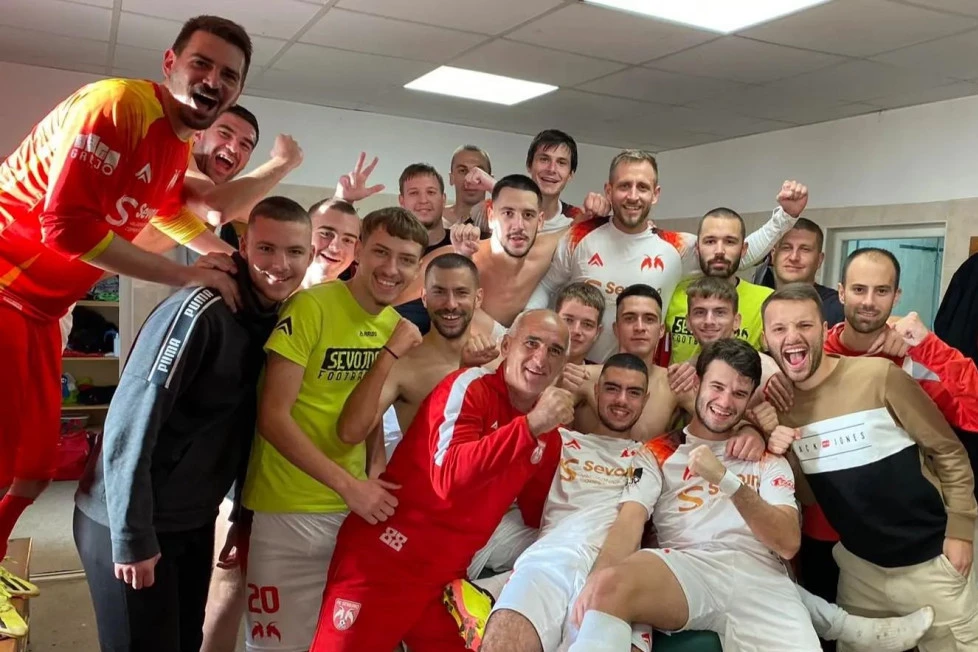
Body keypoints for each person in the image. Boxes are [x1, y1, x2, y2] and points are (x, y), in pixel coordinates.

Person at [0, 13, 251, 569]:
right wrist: (187, 274)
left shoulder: (175, 144)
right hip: (5, 290)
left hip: (42, 311)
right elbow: (65, 229)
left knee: (35, 467)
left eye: (229, 75)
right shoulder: (117, 106)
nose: (212, 81)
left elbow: (164, 213)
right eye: (201, 64)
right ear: (170, 63)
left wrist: (234, 261)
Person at [73, 197, 312, 652]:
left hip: (192, 516)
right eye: (266, 249)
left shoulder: (276, 320)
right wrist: (131, 536)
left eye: (294, 252)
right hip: (124, 515)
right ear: (244, 247)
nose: (280, 265)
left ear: (310, 256)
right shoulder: (201, 310)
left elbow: (246, 428)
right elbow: (130, 420)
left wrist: (240, 515)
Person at [311, 310, 575, 651]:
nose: (541, 358)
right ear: (506, 346)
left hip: (444, 579)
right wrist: (529, 427)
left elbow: (538, 513)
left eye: (555, 350)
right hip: (387, 558)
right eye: (532, 343)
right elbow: (448, 478)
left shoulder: (549, 432)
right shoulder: (468, 386)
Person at [764, 248, 978, 640]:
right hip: (849, 554)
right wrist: (779, 425)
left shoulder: (897, 364)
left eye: (881, 291)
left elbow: (954, 439)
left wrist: (925, 345)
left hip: (925, 546)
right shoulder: (794, 375)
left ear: (897, 297)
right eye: (859, 289)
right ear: (841, 293)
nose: (868, 301)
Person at [240, 207, 428, 651]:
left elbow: (367, 407)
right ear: (357, 250)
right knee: (277, 647)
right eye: (381, 252)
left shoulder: (393, 327)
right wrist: (350, 485)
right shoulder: (311, 306)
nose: (391, 268)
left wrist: (375, 465)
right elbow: (273, 418)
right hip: (286, 510)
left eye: (405, 259)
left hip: (351, 512)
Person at [569, 339, 822, 652]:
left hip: (761, 577)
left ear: (749, 399)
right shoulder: (658, 451)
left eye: (739, 393)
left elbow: (787, 542)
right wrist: (596, 579)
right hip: (687, 568)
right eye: (717, 387)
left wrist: (726, 480)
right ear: (698, 383)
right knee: (608, 586)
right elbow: (630, 521)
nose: (725, 401)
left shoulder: (766, 457)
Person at [526, 150, 809, 361]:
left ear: (655, 194)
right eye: (624, 186)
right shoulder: (579, 236)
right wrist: (523, 331)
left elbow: (733, 256)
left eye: (642, 187)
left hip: (643, 379)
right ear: (609, 191)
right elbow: (547, 286)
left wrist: (785, 217)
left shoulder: (676, 246)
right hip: (576, 368)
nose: (633, 196)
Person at [665, 207, 773, 365]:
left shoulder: (767, 301)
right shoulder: (672, 293)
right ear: (697, 249)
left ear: (743, 250)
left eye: (730, 242)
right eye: (710, 241)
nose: (719, 251)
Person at [754, 217, 844, 326]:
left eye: (805, 249)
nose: (794, 257)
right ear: (773, 255)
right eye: (786, 248)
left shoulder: (839, 308)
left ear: (819, 260)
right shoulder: (755, 302)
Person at [301, 198, 361, 289]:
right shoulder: (277, 289)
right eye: (326, 234)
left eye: (347, 240)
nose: (335, 248)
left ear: (357, 250)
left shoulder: (354, 297)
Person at [444, 144, 492, 233]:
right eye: (462, 171)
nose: (470, 179)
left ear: (490, 179)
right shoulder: (435, 218)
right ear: (451, 178)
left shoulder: (501, 219)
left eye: (479, 172)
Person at [555, 282, 605, 366]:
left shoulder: (605, 373)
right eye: (568, 320)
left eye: (587, 324)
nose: (576, 330)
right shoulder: (531, 365)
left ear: (597, 333)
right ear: (553, 321)